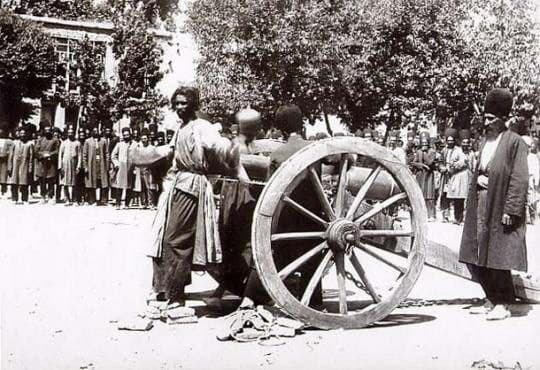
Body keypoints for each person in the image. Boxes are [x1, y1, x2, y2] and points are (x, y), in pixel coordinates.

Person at [132, 86, 245, 311]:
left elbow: (220, 147)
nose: (179, 107)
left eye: (184, 103)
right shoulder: (180, 129)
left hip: (192, 186)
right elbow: (171, 153)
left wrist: (238, 167)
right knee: (163, 237)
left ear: (193, 104)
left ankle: (176, 296)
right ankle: (166, 289)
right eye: (177, 103)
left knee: (177, 239)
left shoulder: (202, 127)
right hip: (177, 185)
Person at [240, 104, 324, 309]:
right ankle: (313, 303)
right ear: (301, 123)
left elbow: (272, 192)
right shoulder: (314, 149)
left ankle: (250, 298)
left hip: (286, 218)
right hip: (312, 217)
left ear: (280, 128)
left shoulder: (278, 155)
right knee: (313, 256)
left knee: (270, 251)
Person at [459, 88, 529, 321]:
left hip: (500, 203)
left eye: (491, 119)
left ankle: (505, 302)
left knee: (499, 254)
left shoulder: (515, 143)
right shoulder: (485, 141)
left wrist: (512, 209)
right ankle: (490, 298)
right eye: (485, 118)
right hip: (481, 202)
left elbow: (519, 178)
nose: (486, 122)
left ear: (503, 119)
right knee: (478, 252)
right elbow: (481, 167)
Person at [440, 129, 468, 224]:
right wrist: (441, 167)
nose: (450, 142)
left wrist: (453, 166)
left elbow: (464, 161)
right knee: (444, 196)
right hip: (445, 177)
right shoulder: (444, 150)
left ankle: (458, 217)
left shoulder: (459, 150)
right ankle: (445, 215)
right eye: (448, 140)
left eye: (452, 141)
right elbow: (440, 161)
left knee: (458, 197)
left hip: (455, 176)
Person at [411, 135, 437, 221]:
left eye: (426, 143)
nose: (424, 145)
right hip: (421, 175)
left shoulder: (432, 152)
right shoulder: (418, 152)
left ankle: (431, 215)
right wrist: (421, 165)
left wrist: (424, 154)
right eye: (423, 143)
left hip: (429, 175)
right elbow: (413, 163)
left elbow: (430, 163)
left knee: (429, 195)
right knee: (421, 194)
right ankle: (421, 214)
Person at [83, 128, 110, 205]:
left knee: (102, 182)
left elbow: (107, 154)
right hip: (92, 164)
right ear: (92, 132)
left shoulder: (103, 141)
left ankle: (103, 200)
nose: (96, 132)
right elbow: (84, 155)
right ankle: (92, 200)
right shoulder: (88, 141)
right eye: (94, 131)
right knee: (92, 182)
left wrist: (107, 166)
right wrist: (85, 166)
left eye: (97, 131)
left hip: (101, 164)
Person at [111, 127, 136, 209]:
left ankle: (127, 204)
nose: (126, 136)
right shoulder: (119, 144)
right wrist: (116, 164)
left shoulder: (134, 144)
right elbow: (113, 155)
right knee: (119, 185)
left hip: (130, 166)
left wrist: (135, 167)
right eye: (124, 135)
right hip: (121, 166)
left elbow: (138, 156)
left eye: (127, 135)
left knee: (129, 185)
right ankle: (118, 204)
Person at [8, 127, 34, 204]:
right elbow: (10, 156)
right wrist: (10, 166)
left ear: (26, 134)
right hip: (15, 165)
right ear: (19, 134)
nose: (22, 135)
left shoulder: (29, 144)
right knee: (14, 183)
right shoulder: (14, 143)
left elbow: (31, 157)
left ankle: (24, 199)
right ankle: (14, 199)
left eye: (24, 133)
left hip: (24, 165)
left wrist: (30, 168)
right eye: (21, 133)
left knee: (24, 183)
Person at [35, 126, 60, 204]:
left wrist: (50, 154)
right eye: (46, 130)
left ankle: (50, 196)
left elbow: (57, 150)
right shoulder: (40, 140)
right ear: (44, 131)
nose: (47, 132)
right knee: (42, 180)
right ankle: (42, 196)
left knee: (51, 180)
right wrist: (43, 155)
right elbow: (36, 151)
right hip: (42, 163)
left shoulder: (55, 140)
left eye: (49, 130)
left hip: (51, 163)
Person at [58, 127, 81, 206]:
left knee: (74, 182)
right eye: (69, 133)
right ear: (67, 134)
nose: (70, 134)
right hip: (65, 164)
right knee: (65, 182)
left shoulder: (77, 143)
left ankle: (74, 200)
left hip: (74, 164)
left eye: (72, 133)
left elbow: (80, 155)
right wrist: (60, 166)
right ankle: (67, 199)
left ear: (74, 133)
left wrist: (78, 166)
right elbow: (60, 155)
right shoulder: (63, 143)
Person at [137, 130, 157, 209]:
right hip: (141, 169)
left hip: (149, 169)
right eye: (142, 139)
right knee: (142, 187)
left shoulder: (152, 148)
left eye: (145, 138)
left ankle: (151, 203)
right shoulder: (139, 148)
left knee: (150, 187)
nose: (143, 140)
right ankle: (143, 203)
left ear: (148, 139)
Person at [0, 128, 14, 198]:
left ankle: (3, 191)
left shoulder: (9, 141)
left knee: (4, 176)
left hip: (5, 160)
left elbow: (11, 151)